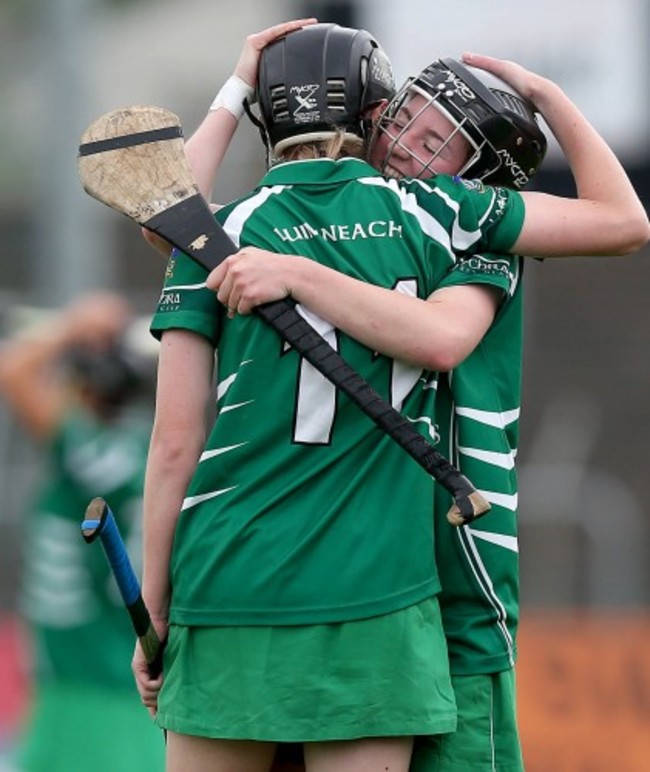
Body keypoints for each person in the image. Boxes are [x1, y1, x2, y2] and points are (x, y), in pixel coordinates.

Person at [164, 24, 647, 772]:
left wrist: (548, 96)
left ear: (480, 171)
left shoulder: (464, 228)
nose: (409, 143)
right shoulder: (437, 222)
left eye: (441, 141)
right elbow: (173, 227)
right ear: (373, 106)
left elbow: (446, 335)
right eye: (408, 117)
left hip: (436, 573)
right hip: (375, 579)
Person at [0, 293, 165, 772]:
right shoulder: (153, 451)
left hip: (76, 672)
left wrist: (74, 325)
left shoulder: (79, 442)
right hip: (135, 672)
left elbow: (13, 371)